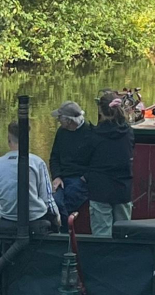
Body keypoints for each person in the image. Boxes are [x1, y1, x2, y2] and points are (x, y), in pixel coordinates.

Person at [86, 90, 135, 236]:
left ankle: (103, 258)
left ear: (100, 110)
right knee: (123, 234)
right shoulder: (128, 133)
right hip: (123, 187)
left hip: (100, 188)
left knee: (102, 234)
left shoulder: (94, 135)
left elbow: (86, 158)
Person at [0, 122, 60, 231]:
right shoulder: (37, 162)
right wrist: (57, 219)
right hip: (35, 218)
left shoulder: (1, 163)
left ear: (9, 139)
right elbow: (47, 198)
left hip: (7, 217)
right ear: (27, 140)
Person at [49, 101, 93, 232]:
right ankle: (62, 233)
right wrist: (56, 176)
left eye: (59, 118)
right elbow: (54, 157)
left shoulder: (90, 133)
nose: (58, 121)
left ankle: (62, 234)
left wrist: (85, 178)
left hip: (80, 180)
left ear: (68, 121)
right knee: (53, 202)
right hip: (62, 179)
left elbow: (97, 163)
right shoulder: (61, 133)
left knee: (66, 202)